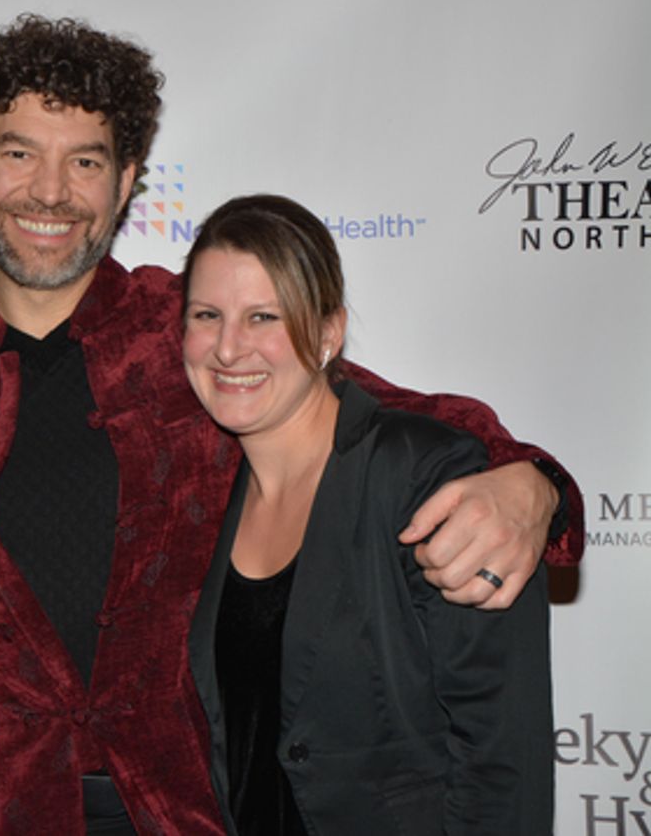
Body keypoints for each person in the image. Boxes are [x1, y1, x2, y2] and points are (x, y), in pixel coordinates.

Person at [0, 16, 577, 834]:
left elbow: (390, 412)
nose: (52, 190)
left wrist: (536, 485)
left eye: (87, 160)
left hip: (178, 807)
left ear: (127, 179)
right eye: (19, 151)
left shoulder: (196, 334)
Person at [182, 195, 552, 835]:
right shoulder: (206, 492)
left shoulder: (422, 475)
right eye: (207, 315)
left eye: (264, 316)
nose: (228, 347)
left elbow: (500, 757)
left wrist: (543, 487)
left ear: (328, 334)